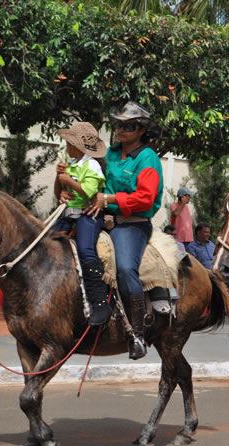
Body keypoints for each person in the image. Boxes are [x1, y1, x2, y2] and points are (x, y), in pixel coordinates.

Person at [83, 102, 164, 360]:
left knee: (126, 268)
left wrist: (109, 199)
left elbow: (145, 199)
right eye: (118, 124)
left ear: (141, 130)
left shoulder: (147, 158)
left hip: (132, 224)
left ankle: (137, 333)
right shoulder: (111, 154)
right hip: (102, 216)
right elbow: (94, 180)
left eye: (128, 126)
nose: (120, 130)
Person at [52, 121, 108, 327]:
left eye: (69, 143)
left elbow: (88, 192)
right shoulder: (72, 163)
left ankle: (99, 302)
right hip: (68, 212)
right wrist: (59, 181)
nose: (66, 146)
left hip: (88, 214)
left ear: (78, 146)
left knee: (85, 250)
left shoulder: (92, 165)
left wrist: (67, 180)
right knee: (46, 243)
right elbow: (59, 192)